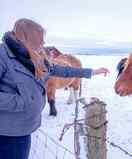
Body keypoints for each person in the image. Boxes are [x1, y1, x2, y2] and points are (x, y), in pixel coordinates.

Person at [0, 18, 109, 159]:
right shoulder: (3, 56)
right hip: (7, 131)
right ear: (27, 37)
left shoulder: (34, 55)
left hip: (24, 127)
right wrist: (23, 102)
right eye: (39, 38)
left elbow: (62, 71)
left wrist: (91, 72)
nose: (43, 43)